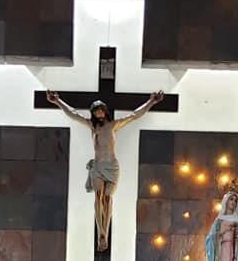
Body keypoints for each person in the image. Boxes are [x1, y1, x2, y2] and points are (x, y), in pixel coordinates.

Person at [46, 89, 164, 251]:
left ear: (105, 111)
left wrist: (151, 102)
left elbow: (134, 115)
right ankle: (101, 233)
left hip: (112, 166)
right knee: (98, 195)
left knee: (107, 199)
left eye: (100, 110)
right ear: (93, 113)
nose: (99, 113)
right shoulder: (91, 126)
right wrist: (57, 101)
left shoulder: (113, 125)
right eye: (95, 111)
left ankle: (105, 232)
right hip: (98, 166)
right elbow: (73, 114)